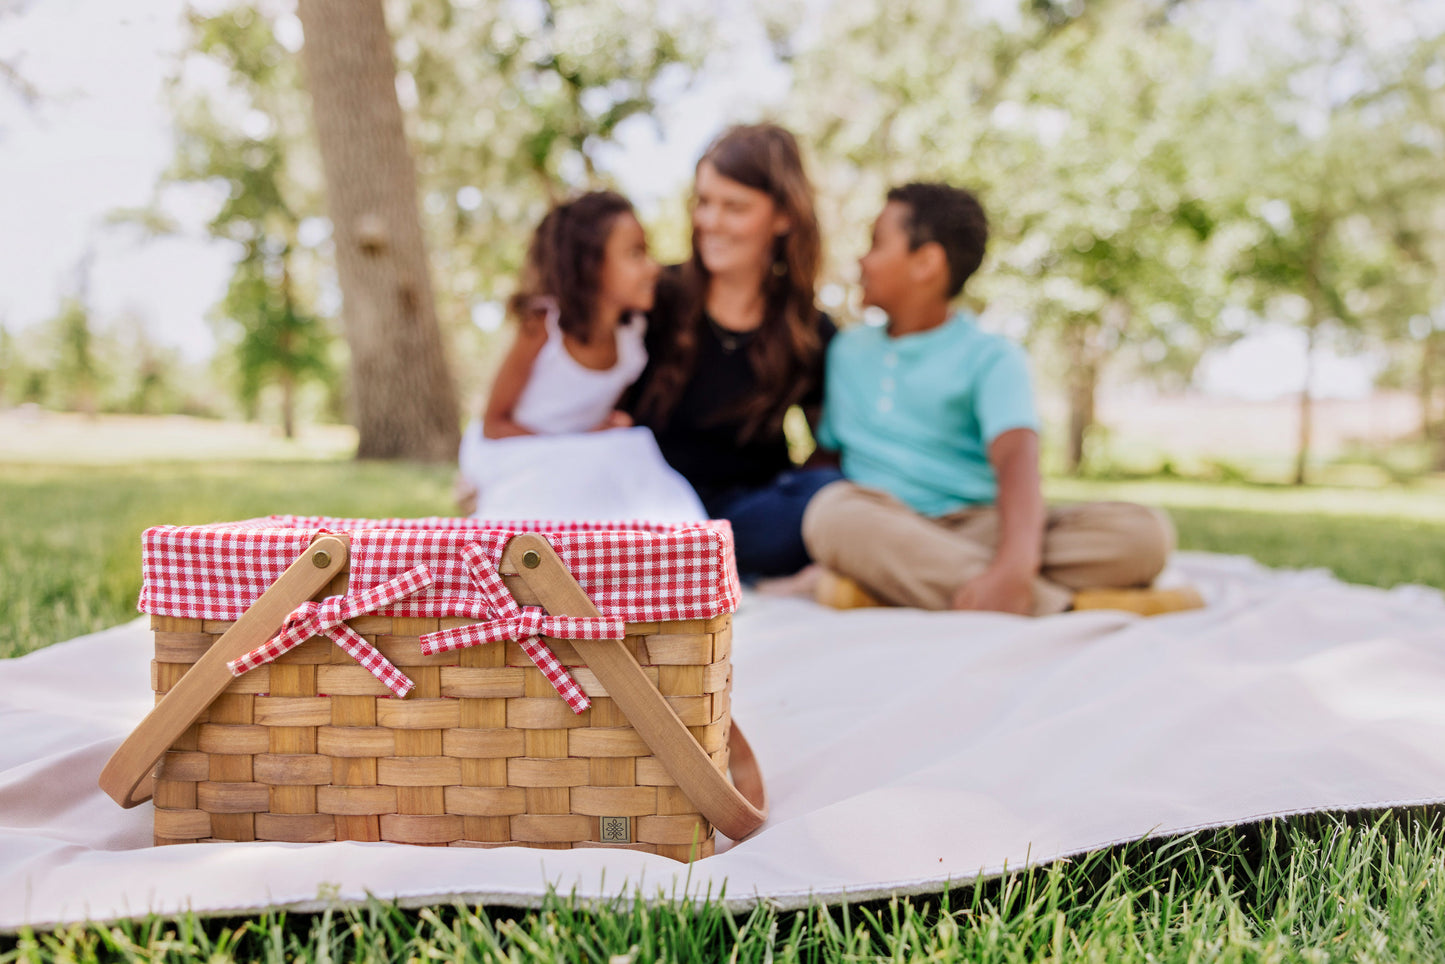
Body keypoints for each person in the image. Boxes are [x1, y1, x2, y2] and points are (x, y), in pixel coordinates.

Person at [801, 182, 1177, 615]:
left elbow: (1018, 463)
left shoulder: (992, 357)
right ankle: (1059, 606)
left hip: (982, 526)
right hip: (889, 525)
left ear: (926, 262)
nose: (862, 259)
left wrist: (1015, 565)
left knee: (1145, 535)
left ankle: (908, 587)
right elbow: (828, 453)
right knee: (830, 516)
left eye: (876, 244)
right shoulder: (847, 352)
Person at [625, 123, 842, 578]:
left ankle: (701, 564)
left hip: (740, 520)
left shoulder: (810, 331)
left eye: (735, 207)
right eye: (704, 202)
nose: (710, 221)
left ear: (783, 217)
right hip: (643, 507)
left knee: (831, 491)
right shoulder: (656, 296)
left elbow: (828, 448)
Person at [457, 191, 706, 522]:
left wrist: (604, 428)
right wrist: (575, 445)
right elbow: (493, 425)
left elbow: (589, 420)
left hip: (573, 454)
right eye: (635, 254)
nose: (652, 268)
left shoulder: (631, 341)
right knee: (617, 454)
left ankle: (684, 545)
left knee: (632, 445)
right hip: (510, 452)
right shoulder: (543, 327)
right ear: (590, 266)